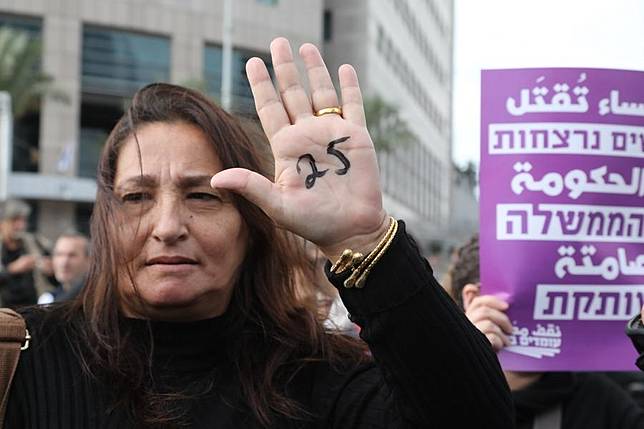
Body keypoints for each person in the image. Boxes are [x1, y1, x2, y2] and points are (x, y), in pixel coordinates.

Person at [5, 38, 513, 428]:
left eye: (203, 196)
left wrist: (360, 239)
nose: (167, 227)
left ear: (253, 223)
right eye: (136, 197)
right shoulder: (17, 358)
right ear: (106, 217)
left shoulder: (321, 378)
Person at [448, 235, 644, 429]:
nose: (547, 303)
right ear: (474, 299)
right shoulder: (436, 393)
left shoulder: (600, 400)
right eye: (531, 287)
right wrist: (466, 359)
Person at [0, 199, 56, 309]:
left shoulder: (37, 243)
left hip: (34, 312)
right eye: (15, 220)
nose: (21, 226)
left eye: (23, 220)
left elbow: (57, 281)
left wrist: (51, 271)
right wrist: (12, 269)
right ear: (1, 223)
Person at [38, 232, 90, 304]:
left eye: (72, 255)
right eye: (59, 255)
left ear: (89, 260)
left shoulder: (100, 297)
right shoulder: (47, 300)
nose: (64, 262)